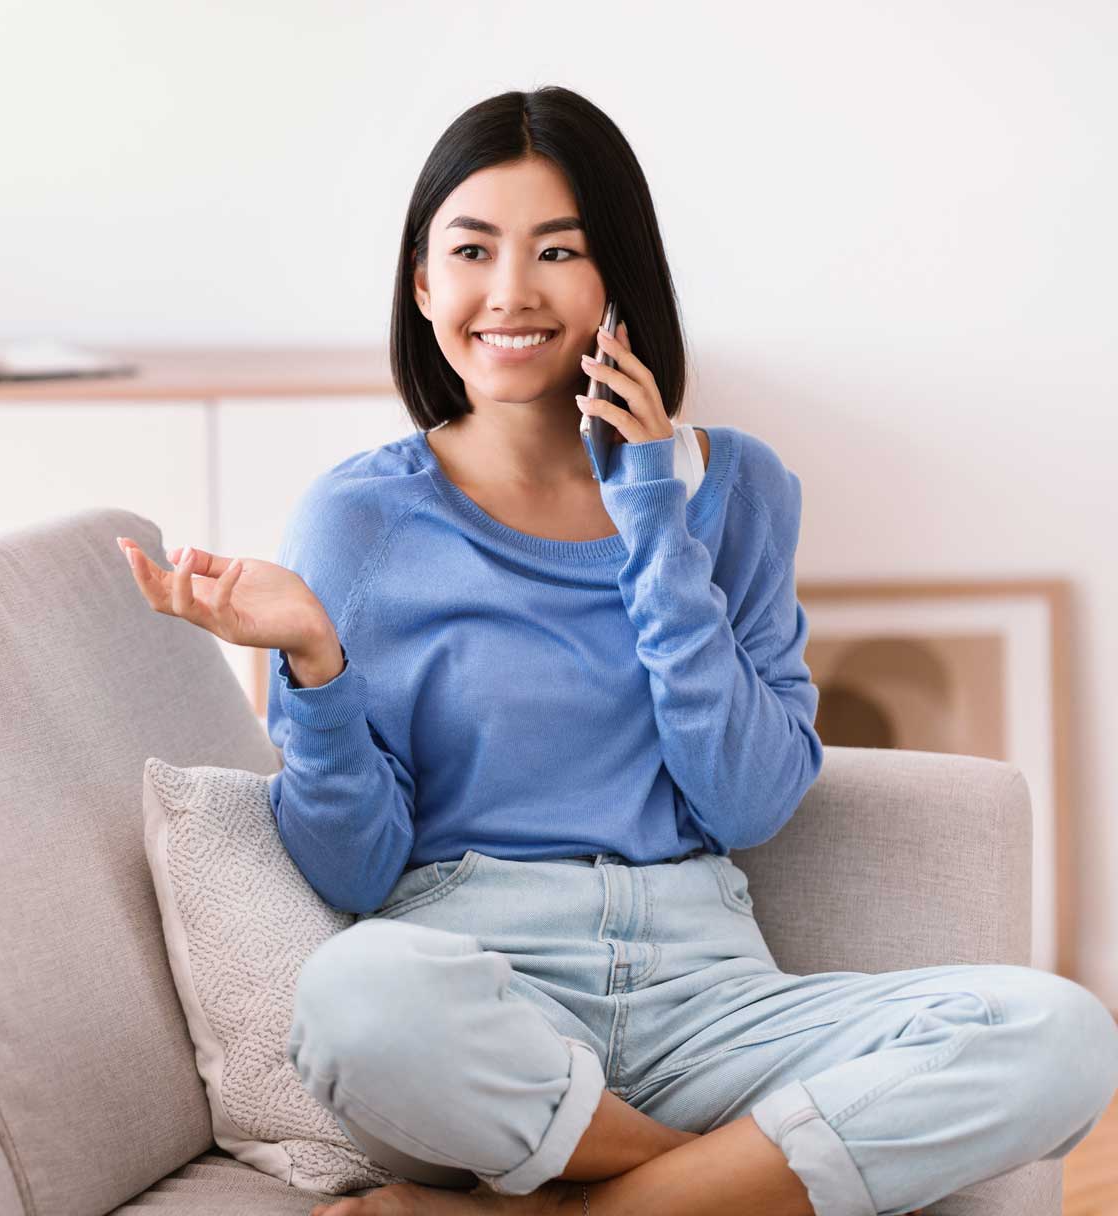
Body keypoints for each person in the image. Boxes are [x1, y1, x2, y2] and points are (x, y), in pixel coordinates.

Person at [116, 86, 1118, 1216]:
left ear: (615, 279)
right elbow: (352, 871)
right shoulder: (360, 520)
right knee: (354, 998)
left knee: (1064, 1035)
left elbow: (746, 801)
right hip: (483, 993)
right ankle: (716, 1184)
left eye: (558, 250)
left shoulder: (733, 487)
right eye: (473, 250)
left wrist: (655, 514)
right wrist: (315, 663)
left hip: (711, 995)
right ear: (422, 283)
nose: (511, 292)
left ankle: (564, 1207)